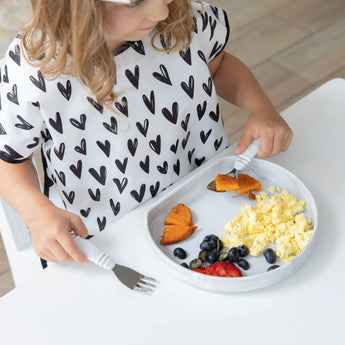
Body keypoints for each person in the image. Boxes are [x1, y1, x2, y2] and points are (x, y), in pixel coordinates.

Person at [0, 0, 292, 267]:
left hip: (208, 206)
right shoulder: (34, 70)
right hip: (106, 244)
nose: (161, 12)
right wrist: (36, 214)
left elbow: (219, 66)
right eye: (136, 2)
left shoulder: (179, 17)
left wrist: (261, 108)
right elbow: (9, 159)